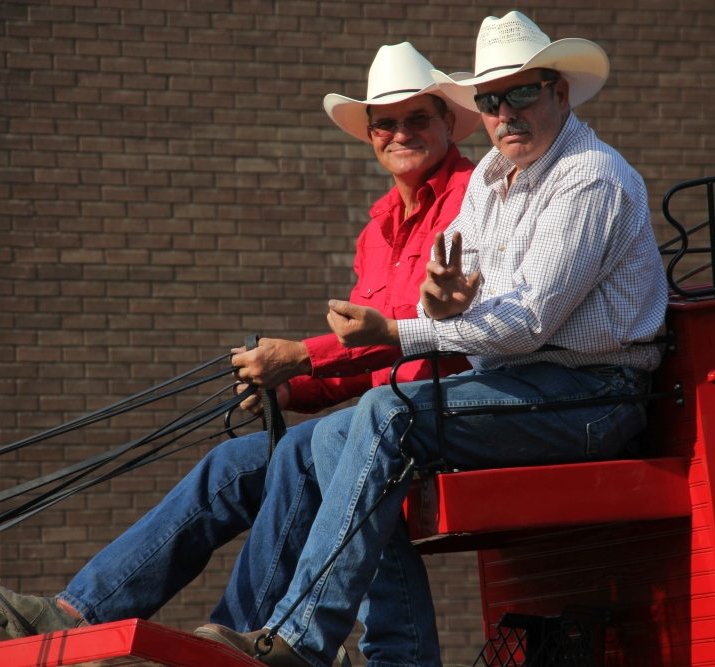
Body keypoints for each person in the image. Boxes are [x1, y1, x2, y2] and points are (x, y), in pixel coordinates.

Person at [0, 42, 480, 659]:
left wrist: (301, 355)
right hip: (382, 417)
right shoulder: (376, 227)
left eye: (417, 119)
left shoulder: (473, 199)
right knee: (234, 465)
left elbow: (405, 329)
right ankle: (76, 612)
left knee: (310, 451)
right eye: (386, 122)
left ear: (449, 122)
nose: (401, 133)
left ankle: (235, 639)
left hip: (447, 416)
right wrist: (290, 387)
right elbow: (367, 358)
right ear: (370, 135)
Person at [198, 10, 669, 667]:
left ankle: (302, 637)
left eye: (522, 93)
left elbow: (526, 320)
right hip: (520, 383)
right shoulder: (489, 180)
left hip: (593, 398)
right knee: (340, 433)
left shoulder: (588, 178)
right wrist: (443, 303)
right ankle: (400, 655)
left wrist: (404, 327)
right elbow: (462, 296)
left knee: (386, 413)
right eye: (489, 99)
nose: (505, 112)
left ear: (560, 92)